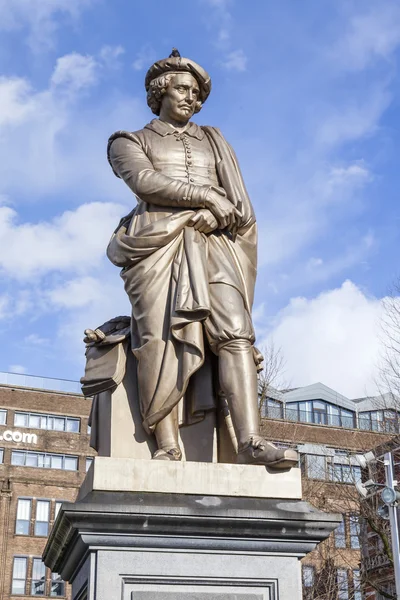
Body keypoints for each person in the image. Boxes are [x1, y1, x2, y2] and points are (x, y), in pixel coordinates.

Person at [106, 50, 298, 468]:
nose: (190, 98)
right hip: (158, 246)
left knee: (236, 334)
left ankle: (249, 441)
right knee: (159, 340)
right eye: (181, 89)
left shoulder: (215, 139)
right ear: (159, 92)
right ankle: (168, 443)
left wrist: (215, 210)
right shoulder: (129, 142)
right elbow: (144, 181)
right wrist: (205, 196)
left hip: (214, 244)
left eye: (196, 93)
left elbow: (239, 202)